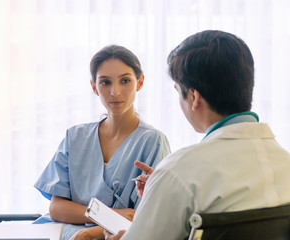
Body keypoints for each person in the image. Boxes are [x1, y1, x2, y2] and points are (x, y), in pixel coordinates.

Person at [104, 30, 290, 240]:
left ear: (194, 97)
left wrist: (165, 189)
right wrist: (161, 194)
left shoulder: (178, 172)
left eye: (177, 90)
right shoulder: (285, 163)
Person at [33, 45, 171, 240]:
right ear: (94, 87)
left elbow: (145, 216)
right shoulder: (75, 137)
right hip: (61, 233)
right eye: (105, 82)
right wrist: (110, 216)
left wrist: (90, 231)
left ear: (140, 83)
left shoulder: (152, 141)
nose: (115, 92)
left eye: (125, 81)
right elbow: (57, 208)